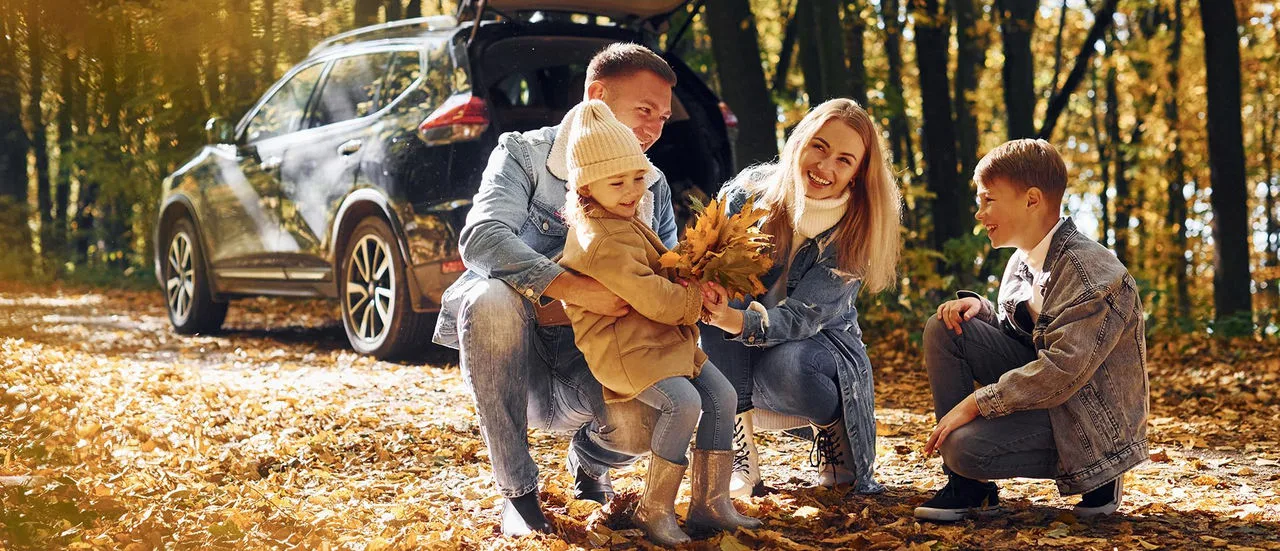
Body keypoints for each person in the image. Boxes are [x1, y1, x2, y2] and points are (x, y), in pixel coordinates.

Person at [431, 43, 681, 536]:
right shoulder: (524, 154)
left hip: (596, 358)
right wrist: (575, 288)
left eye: (664, 118)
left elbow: (666, 278)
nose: (653, 129)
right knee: (491, 298)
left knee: (647, 423)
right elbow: (481, 239)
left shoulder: (653, 185)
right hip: (516, 363)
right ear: (597, 96)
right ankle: (519, 497)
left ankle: (590, 461)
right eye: (644, 111)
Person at [557, 100, 762, 545]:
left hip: (659, 337)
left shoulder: (622, 218)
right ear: (586, 187)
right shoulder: (598, 238)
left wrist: (694, 279)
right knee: (683, 403)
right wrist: (694, 302)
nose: (633, 189)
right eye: (618, 181)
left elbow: (661, 273)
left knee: (722, 394)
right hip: (626, 348)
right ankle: (655, 508)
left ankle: (710, 502)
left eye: (637, 177)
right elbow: (652, 296)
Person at [914, 139, 1149, 522]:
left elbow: (1061, 369)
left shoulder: (1092, 274)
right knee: (946, 328)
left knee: (963, 447)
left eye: (988, 200)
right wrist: (982, 312)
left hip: (1090, 420)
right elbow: (1023, 338)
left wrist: (976, 405)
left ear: (1031, 199)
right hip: (1052, 397)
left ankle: (1100, 474)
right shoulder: (1022, 262)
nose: (979, 213)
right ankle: (969, 489)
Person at [699, 98, 902, 497]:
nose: (825, 167)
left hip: (814, 354)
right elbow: (706, 264)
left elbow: (802, 319)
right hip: (735, 357)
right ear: (800, 142)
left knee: (792, 363)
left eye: (844, 160)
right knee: (725, 290)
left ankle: (832, 428)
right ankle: (738, 454)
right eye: (819, 147)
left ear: (857, 175)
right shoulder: (748, 194)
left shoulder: (856, 231)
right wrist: (716, 302)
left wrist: (730, 320)